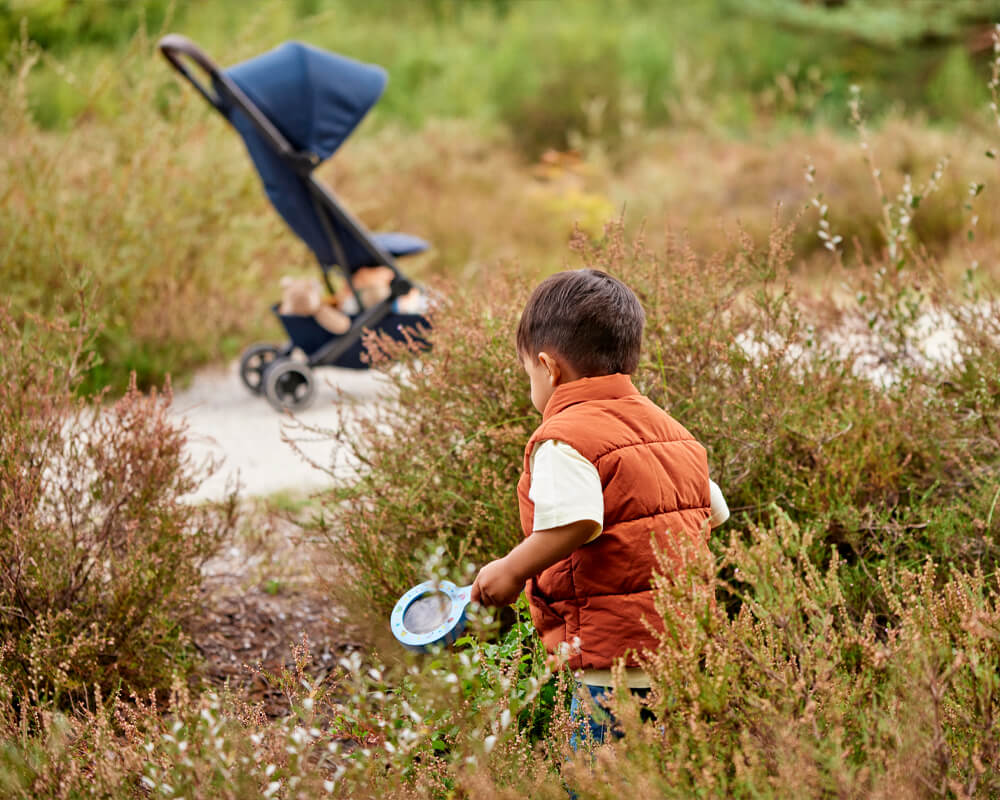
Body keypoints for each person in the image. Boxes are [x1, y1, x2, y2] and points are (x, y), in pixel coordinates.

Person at [470, 268, 727, 746]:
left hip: (613, 666)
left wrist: (509, 570)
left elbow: (578, 520)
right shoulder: (672, 431)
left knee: (597, 781)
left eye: (528, 372)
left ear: (549, 368)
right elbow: (713, 510)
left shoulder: (565, 438)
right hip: (683, 651)